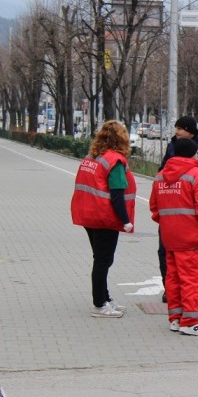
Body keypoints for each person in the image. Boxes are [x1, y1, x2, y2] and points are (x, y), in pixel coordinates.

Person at [150, 137, 198, 336]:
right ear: (193, 153)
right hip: (192, 237)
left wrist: (169, 224)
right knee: (192, 280)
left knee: (173, 278)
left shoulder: (160, 177)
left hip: (169, 236)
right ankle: (190, 322)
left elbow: (154, 209)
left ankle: (176, 318)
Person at [70, 120, 136, 318]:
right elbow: (116, 194)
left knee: (100, 258)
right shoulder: (114, 161)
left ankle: (105, 298)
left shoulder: (93, 157)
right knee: (103, 260)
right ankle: (99, 304)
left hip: (88, 214)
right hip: (104, 217)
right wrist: (125, 221)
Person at [157, 115, 198, 301]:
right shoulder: (174, 144)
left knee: (188, 258)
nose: (176, 132)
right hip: (171, 213)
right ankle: (170, 290)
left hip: (192, 216)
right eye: (176, 128)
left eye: (180, 128)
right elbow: (162, 172)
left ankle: (186, 297)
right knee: (165, 252)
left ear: (190, 131)